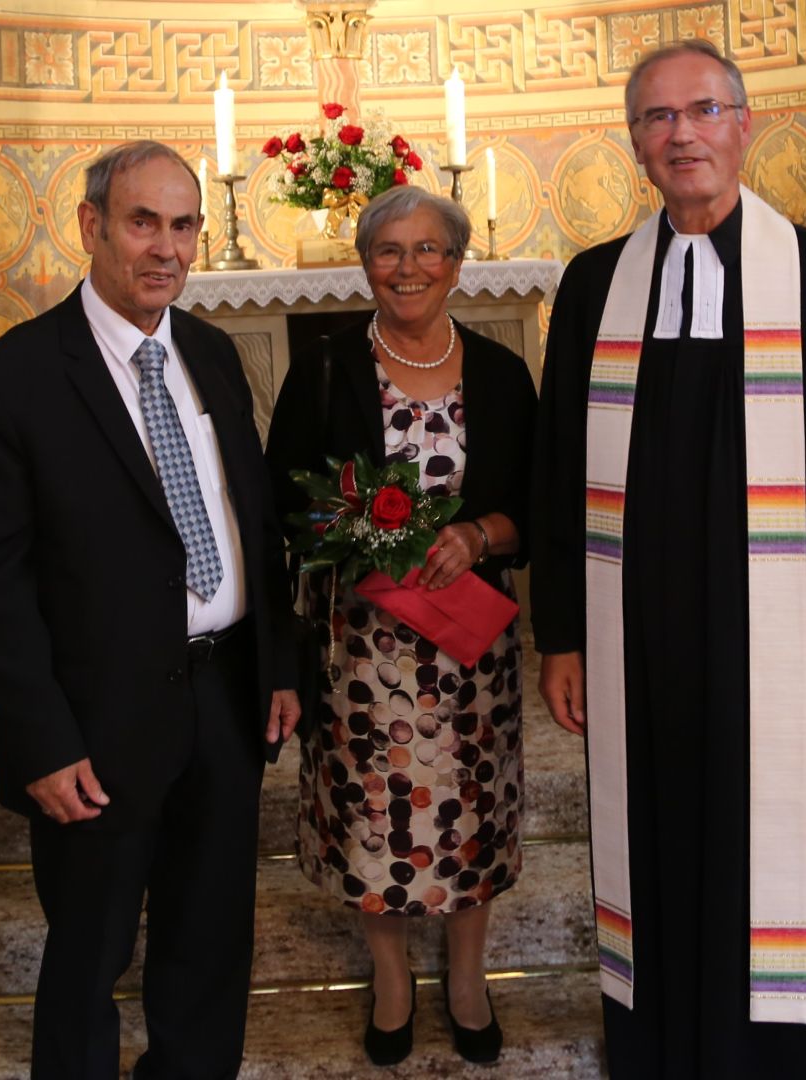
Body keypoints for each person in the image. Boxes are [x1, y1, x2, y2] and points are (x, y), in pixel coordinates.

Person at [531, 41, 806, 1080]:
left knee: (787, 889)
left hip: (794, 670)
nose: (681, 134)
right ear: (635, 142)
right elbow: (557, 478)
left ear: (745, 124)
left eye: (702, 110)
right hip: (646, 668)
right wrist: (562, 636)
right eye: (657, 118)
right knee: (662, 866)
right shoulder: (597, 288)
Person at [0, 140, 300, 1079]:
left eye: (183, 226)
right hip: (96, 724)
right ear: (91, 227)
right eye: (143, 222)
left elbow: (253, 525)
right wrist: (40, 740)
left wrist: (276, 669)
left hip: (224, 700)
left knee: (208, 944)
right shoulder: (10, 380)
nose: (166, 248)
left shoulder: (215, 354)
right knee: (88, 956)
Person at [265, 187, 537, 1067]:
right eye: (389, 250)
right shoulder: (324, 369)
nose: (408, 267)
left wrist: (477, 534)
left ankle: (465, 976)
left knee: (471, 813)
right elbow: (281, 500)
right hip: (361, 649)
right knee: (369, 815)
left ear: (457, 263)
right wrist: (353, 534)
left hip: (470, 650)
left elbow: (538, 503)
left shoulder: (500, 372)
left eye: (428, 250)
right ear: (365, 262)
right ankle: (389, 978)